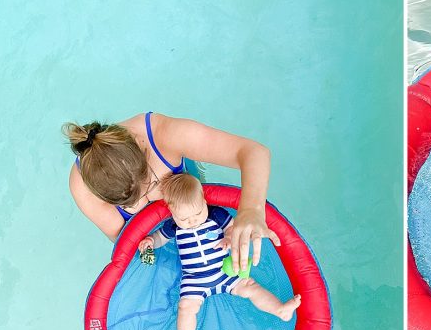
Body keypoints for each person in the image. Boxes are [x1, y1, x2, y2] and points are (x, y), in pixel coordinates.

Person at [64, 111, 278, 272]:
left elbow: (254, 152)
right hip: (162, 233)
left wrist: (251, 209)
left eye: (150, 184)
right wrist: (150, 255)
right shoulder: (83, 188)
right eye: (130, 203)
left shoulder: (165, 135)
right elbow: (129, 242)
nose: (144, 197)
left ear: (141, 145)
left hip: (187, 189)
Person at [137, 173, 301, 330]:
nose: (192, 221)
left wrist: (229, 238)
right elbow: (160, 238)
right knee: (185, 307)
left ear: (204, 201)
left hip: (224, 271)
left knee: (250, 287)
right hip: (195, 280)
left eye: (198, 213)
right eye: (184, 218)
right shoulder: (174, 226)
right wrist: (151, 240)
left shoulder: (216, 215)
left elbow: (232, 228)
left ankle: (279, 309)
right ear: (172, 212)